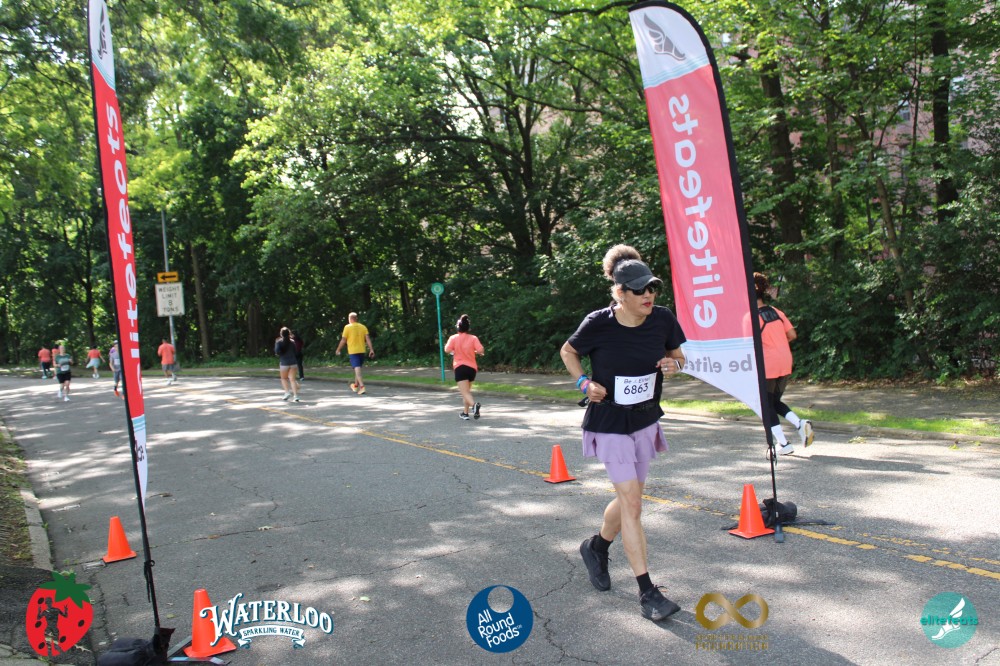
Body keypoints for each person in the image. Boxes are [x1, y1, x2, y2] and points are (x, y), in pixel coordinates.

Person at [559, 244, 687, 623]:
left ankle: (597, 547)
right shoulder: (598, 323)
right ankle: (648, 592)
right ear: (620, 292)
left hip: (644, 420)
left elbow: (679, 356)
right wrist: (584, 383)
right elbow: (568, 351)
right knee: (632, 504)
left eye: (652, 288)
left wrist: (673, 365)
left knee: (630, 499)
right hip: (610, 422)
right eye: (639, 290)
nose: (648, 295)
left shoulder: (662, 319)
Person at [754, 272, 814, 456]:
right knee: (773, 402)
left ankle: (784, 443)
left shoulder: (751, 317)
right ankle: (800, 424)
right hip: (785, 361)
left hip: (768, 364)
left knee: (765, 406)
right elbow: (792, 335)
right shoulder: (776, 311)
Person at [444, 314, 486, 420]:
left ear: (458, 327)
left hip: (460, 367)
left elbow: (447, 350)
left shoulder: (453, 338)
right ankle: (465, 413)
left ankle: (474, 406)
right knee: (466, 392)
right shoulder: (473, 338)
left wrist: (454, 351)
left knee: (465, 392)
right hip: (472, 369)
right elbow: (481, 350)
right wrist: (475, 351)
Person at [335, 313, 375, 395]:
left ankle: (362, 387)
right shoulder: (363, 327)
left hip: (353, 351)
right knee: (358, 368)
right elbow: (367, 339)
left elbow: (343, 340)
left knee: (357, 368)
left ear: (349, 319)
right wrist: (371, 349)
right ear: (356, 318)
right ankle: (355, 386)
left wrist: (338, 349)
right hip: (362, 350)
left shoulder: (347, 327)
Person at [275, 327, 301, 402]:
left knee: (284, 379)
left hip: (284, 363)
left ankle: (287, 392)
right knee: (292, 380)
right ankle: (296, 396)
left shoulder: (279, 342)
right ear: (289, 333)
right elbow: (296, 352)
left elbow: (277, 352)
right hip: (293, 363)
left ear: (281, 334)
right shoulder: (292, 342)